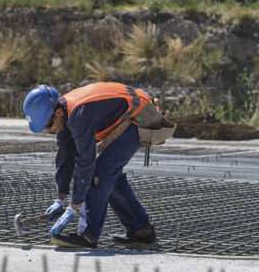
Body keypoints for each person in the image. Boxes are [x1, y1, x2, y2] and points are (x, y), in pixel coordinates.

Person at [23, 82, 159, 248]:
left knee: (99, 174)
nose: (49, 131)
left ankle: (87, 235)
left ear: (57, 113)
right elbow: (65, 156)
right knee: (110, 177)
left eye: (48, 126)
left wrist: (74, 206)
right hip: (130, 117)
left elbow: (86, 162)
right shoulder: (65, 113)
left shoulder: (79, 114)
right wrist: (61, 197)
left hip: (141, 117)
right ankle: (141, 231)